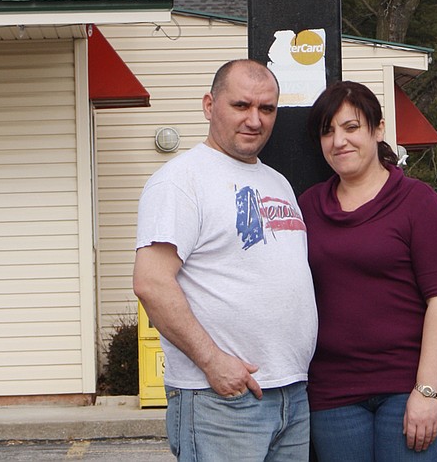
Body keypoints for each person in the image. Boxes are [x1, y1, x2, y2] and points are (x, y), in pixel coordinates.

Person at [134, 58, 318, 462]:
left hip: (290, 395)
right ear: (208, 105)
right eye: (241, 106)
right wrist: (212, 362)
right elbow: (151, 282)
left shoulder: (277, 182)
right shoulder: (180, 181)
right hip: (221, 399)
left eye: (266, 109)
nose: (255, 119)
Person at [298, 80, 437, 462]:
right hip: (333, 395)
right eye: (328, 131)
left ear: (378, 129)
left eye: (351, 127)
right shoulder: (307, 207)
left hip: (407, 388)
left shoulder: (418, 202)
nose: (339, 141)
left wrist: (427, 392)